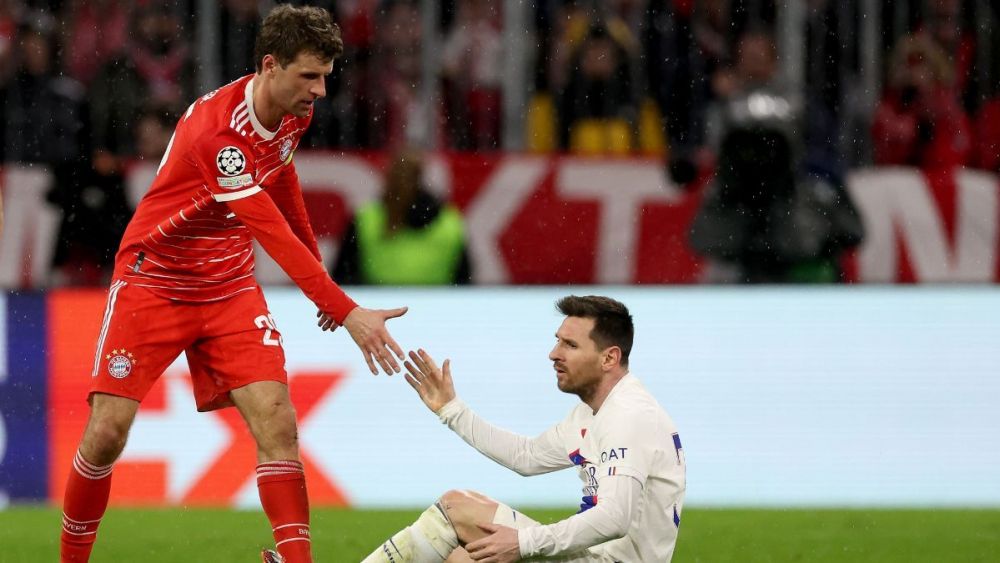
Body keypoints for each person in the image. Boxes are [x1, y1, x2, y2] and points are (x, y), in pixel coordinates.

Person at [58, 6, 408, 563]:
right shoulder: (218, 133)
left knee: (278, 422)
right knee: (107, 432)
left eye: (325, 77)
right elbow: (269, 230)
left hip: (228, 285)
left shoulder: (293, 112)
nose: (320, 91)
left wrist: (319, 268)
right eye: (309, 76)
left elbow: (282, 176)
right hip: (156, 280)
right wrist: (344, 309)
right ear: (270, 66)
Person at [362, 295, 685, 562]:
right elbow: (526, 456)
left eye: (570, 345)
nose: (554, 354)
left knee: (457, 507)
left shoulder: (628, 415)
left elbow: (615, 518)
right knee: (462, 556)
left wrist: (524, 542)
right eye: (557, 341)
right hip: (592, 556)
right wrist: (452, 411)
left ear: (609, 358)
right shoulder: (591, 414)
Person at [331, 149, 472, 285]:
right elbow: (464, 280)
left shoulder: (366, 218)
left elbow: (343, 277)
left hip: (378, 300)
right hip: (438, 300)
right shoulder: (450, 221)